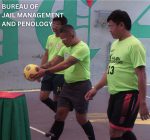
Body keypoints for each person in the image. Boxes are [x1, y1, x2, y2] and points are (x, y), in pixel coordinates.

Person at [85, 10, 150, 140]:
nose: (109, 29)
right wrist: (95, 88)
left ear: (121, 25)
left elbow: (141, 74)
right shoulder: (115, 44)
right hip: (115, 94)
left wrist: (143, 102)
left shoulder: (134, 45)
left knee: (115, 132)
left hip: (128, 95)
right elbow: (110, 69)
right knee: (122, 131)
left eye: (111, 26)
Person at [34, 24, 95, 140]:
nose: (62, 41)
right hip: (68, 85)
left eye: (64, 39)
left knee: (81, 119)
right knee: (60, 114)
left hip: (82, 86)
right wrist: (40, 68)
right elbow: (53, 62)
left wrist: (45, 72)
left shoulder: (82, 48)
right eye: (61, 39)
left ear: (72, 35)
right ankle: (54, 137)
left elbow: (65, 64)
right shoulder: (65, 46)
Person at [40, 16, 67, 113]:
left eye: (57, 24)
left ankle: (59, 118)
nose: (54, 26)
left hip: (60, 73)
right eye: (53, 23)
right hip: (48, 72)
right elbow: (46, 54)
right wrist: (40, 69)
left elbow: (62, 59)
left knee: (57, 98)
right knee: (43, 96)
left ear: (63, 26)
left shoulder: (65, 40)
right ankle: (59, 113)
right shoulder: (50, 38)